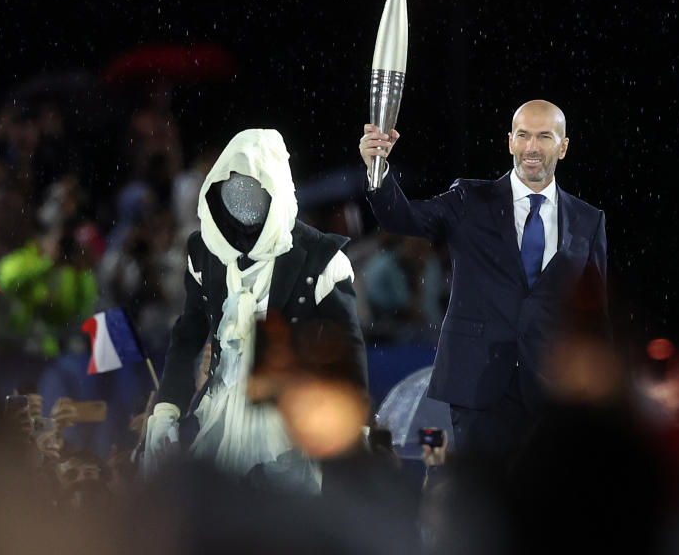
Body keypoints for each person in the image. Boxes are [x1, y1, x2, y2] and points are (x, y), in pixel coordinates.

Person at [359, 100, 608, 457]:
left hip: (553, 393)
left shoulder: (588, 220)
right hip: (478, 385)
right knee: (484, 503)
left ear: (563, 146)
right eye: (523, 135)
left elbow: (596, 318)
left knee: (542, 505)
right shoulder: (470, 200)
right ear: (510, 141)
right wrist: (377, 167)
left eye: (544, 137)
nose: (532, 147)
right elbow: (401, 218)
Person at [143, 129, 368, 490]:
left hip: (290, 425)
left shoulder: (321, 257)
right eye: (232, 188)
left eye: (252, 188)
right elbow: (188, 335)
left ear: (275, 188)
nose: (241, 199)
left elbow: (347, 349)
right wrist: (167, 408)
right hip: (216, 419)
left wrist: (354, 429)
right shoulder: (206, 250)